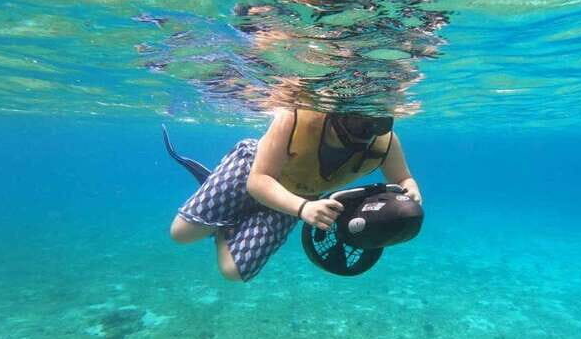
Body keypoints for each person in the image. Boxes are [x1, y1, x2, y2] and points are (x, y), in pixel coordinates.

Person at [169, 109, 422, 282]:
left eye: (376, 123)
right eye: (357, 121)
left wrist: (410, 189)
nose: (365, 132)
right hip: (254, 171)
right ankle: (221, 189)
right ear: (335, 113)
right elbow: (258, 181)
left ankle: (225, 222)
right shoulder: (294, 118)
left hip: (293, 199)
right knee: (181, 234)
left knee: (232, 272)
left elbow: (403, 178)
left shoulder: (385, 142)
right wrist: (303, 209)